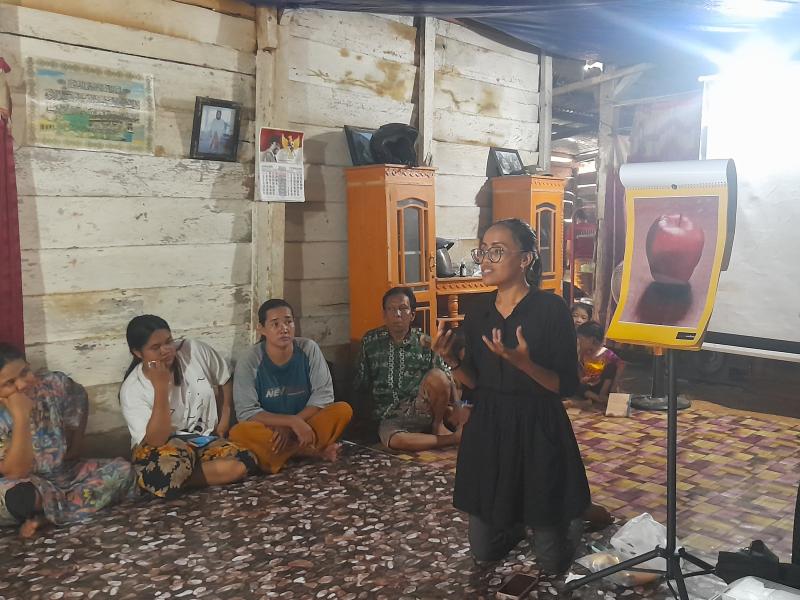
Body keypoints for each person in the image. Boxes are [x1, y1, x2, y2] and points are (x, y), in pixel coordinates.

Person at [433, 218, 590, 574]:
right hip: (489, 424)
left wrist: (524, 363)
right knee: (485, 551)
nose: (485, 260)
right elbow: (472, 381)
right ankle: (517, 522)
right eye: (483, 251)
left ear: (526, 259)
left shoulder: (551, 311)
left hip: (538, 424)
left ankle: (574, 521)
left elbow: (564, 386)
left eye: (497, 251)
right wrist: (451, 361)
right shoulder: (477, 311)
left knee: (551, 563)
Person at [0, 343, 136, 538]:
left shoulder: (52, 384)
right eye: (9, 383)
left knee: (124, 471)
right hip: (26, 484)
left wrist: (76, 443)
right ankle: (59, 509)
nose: (22, 385)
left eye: (24, 373)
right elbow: (15, 472)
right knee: (19, 497)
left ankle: (47, 516)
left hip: (64, 475)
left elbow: (79, 396)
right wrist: (21, 417)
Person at [120, 315, 257, 499]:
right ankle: (167, 478)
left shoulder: (194, 350)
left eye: (168, 341)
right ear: (138, 353)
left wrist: (225, 417)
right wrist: (160, 389)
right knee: (171, 465)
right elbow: (155, 440)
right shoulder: (133, 388)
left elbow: (224, 378)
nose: (166, 350)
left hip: (200, 442)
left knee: (246, 460)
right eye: (155, 347)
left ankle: (170, 482)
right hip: (161, 449)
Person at [229, 299, 352, 474]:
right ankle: (312, 453)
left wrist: (297, 423)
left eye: (288, 322)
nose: (284, 328)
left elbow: (323, 397)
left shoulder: (309, 349)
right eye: (275, 324)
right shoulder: (250, 359)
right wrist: (289, 422)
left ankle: (282, 456)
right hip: (271, 430)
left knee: (342, 410)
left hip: (306, 425)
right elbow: (246, 411)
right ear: (261, 329)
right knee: (239, 432)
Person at [354, 286, 463, 451]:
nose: (397, 314)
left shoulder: (426, 343)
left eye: (403, 309)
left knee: (438, 376)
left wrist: (458, 407)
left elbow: (447, 379)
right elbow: (360, 383)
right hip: (388, 415)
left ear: (412, 315)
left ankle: (437, 427)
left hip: (420, 408)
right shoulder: (370, 342)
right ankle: (451, 439)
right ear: (384, 314)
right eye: (391, 309)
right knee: (396, 441)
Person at [576, 321, 622, 407]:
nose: (579, 343)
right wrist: (583, 379)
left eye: (581, 340)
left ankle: (601, 396)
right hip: (590, 387)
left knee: (611, 367)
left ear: (592, 340)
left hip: (603, 386)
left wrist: (614, 386)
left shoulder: (607, 354)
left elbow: (621, 366)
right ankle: (597, 399)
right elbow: (581, 371)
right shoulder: (584, 354)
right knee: (575, 385)